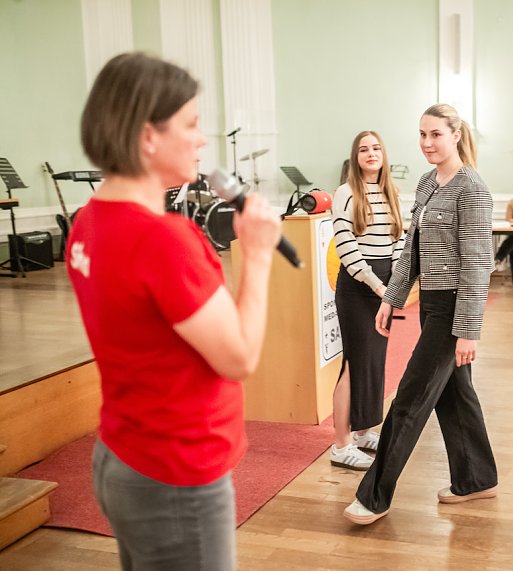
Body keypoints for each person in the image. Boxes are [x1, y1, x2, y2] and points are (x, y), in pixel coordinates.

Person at [67, 53, 281, 571]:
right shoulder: (163, 240)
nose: (203, 140)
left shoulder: (88, 221)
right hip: (176, 473)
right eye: (190, 124)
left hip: (123, 453)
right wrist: (256, 254)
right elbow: (238, 357)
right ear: (148, 136)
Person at [343, 103, 498, 525]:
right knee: (455, 395)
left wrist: (468, 330)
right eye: (422, 134)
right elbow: (411, 249)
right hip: (430, 301)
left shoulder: (472, 189)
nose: (427, 143)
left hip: (453, 309)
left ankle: (374, 496)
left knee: (409, 400)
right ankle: (477, 479)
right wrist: (391, 299)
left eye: (436, 134)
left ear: (456, 135)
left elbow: (477, 264)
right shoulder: (429, 182)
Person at [330, 130, 405, 470]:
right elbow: (346, 248)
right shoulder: (345, 193)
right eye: (364, 149)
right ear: (355, 157)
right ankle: (341, 444)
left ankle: (363, 433)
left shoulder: (392, 192)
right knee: (354, 363)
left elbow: (399, 241)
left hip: (385, 284)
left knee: (374, 361)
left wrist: (395, 285)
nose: (371, 153)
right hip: (358, 286)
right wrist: (378, 286)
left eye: (376, 148)